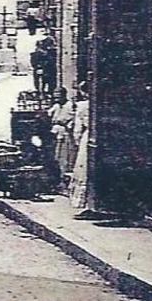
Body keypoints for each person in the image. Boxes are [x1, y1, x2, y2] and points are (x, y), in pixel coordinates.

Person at [68, 83, 90, 213]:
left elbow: (77, 129)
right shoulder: (100, 104)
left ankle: (83, 202)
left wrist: (77, 142)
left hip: (87, 137)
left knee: (83, 168)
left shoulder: (82, 106)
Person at [48, 87, 75, 186]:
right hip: (54, 131)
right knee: (55, 156)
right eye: (55, 97)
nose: (57, 99)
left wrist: (67, 125)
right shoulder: (56, 105)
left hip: (64, 132)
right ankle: (55, 179)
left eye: (58, 97)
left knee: (64, 157)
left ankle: (64, 180)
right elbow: (49, 114)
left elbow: (73, 119)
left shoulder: (69, 105)